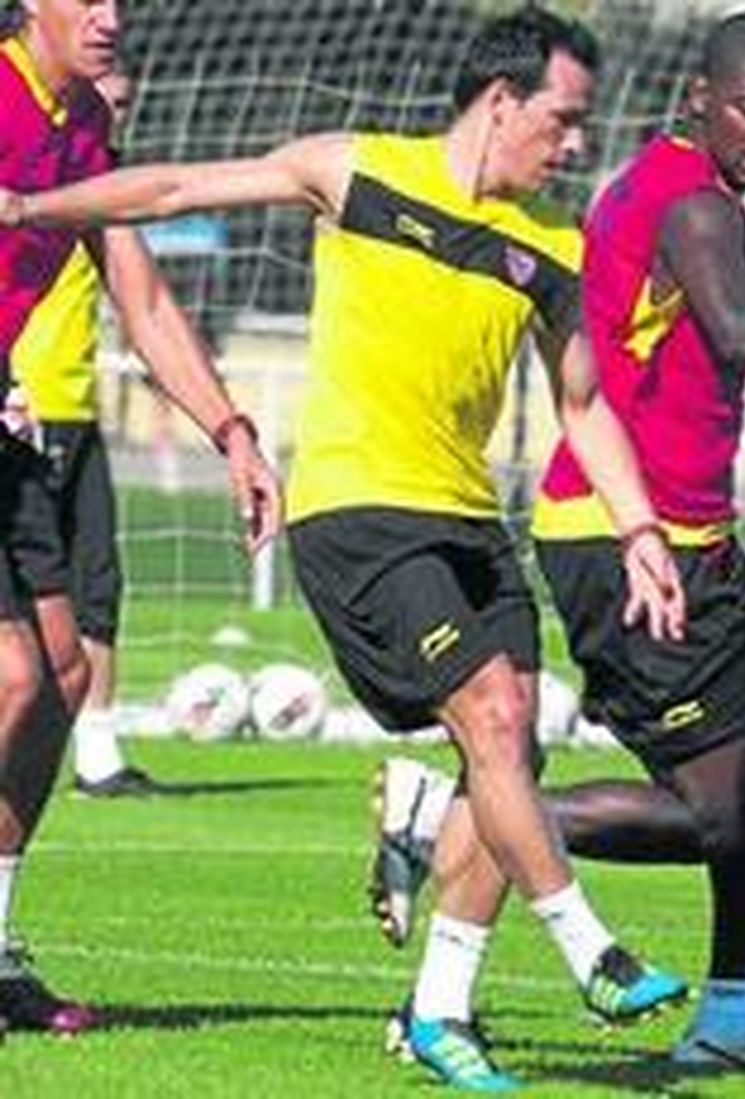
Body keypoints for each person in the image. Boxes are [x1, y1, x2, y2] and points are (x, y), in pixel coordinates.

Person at [6, 7, 693, 1089]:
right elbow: (175, 190)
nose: (574, 145)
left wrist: (641, 527)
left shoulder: (555, 243)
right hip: (360, 512)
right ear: (502, 101)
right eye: (562, 121)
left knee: (507, 751)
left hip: (469, 519)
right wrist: (27, 206)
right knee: (497, 714)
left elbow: (585, 405)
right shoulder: (358, 171)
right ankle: (590, 947)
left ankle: (439, 1010)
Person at [369, 8, 745, 1074]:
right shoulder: (693, 205)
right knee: (710, 813)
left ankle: (730, 1017)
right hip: (624, 542)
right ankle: (458, 815)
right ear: (699, 98)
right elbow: (739, 329)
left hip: (696, 538)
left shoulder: (674, 185)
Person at [0, 0, 279, 1034]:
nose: (113, 17)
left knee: (64, 674)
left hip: (11, 425)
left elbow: (143, 297)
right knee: (17, 672)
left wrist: (233, 431)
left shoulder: (86, 129)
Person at [12, 66, 158, 798]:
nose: (116, 111)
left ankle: (98, 750)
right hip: (28, 408)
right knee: (27, 651)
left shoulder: (98, 184)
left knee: (95, 591)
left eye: (126, 102)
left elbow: (146, 303)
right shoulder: (36, 180)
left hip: (79, 408)